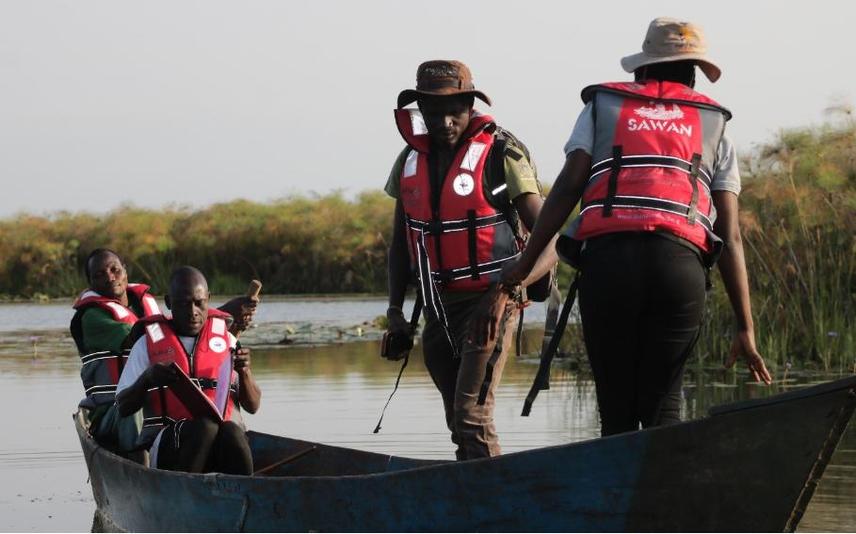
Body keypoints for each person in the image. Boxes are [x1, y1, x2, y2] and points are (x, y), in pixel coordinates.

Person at [501, 18, 772, 437]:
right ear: (694, 73)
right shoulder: (714, 122)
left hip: (610, 266)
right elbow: (730, 237)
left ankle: (617, 499)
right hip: (679, 268)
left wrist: (523, 264)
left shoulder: (603, 106)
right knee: (664, 410)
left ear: (641, 68)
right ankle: (663, 501)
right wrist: (745, 327)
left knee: (617, 411)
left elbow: (568, 187)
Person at [384, 60, 557, 460]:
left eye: (454, 110)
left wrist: (504, 292)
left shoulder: (502, 154)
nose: (444, 121)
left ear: (470, 106)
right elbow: (400, 244)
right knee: (457, 424)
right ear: (420, 111)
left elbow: (550, 242)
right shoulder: (409, 161)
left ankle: (496, 512)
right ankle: (472, 509)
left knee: (471, 416)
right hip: (437, 310)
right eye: (433, 111)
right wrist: (394, 310)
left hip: (491, 303)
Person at [70, 249, 258, 453]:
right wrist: (224, 312)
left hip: (178, 416)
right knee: (136, 411)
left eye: (115, 270)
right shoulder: (93, 318)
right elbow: (134, 336)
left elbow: (178, 329)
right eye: (99, 275)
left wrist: (222, 330)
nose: (109, 277)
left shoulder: (146, 306)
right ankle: (139, 463)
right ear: (90, 283)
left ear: (125, 271)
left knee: (224, 429)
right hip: (110, 409)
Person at [115, 266, 261, 474]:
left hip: (221, 445)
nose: (193, 312)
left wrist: (245, 372)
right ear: (168, 303)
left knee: (231, 430)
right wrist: (147, 379)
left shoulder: (227, 340)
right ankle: (185, 492)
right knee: (205, 427)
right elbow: (122, 407)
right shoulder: (147, 344)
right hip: (170, 450)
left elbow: (253, 406)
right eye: (183, 304)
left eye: (199, 303)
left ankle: (247, 492)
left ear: (208, 299)